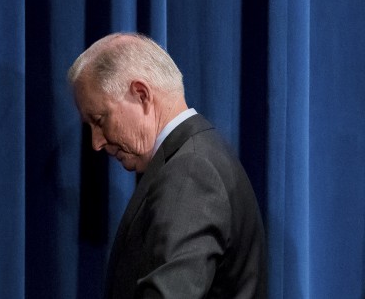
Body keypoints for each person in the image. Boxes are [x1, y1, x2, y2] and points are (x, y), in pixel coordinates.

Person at [68, 32, 266, 298]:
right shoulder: (194, 157)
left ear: (141, 94)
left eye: (100, 120)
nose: (96, 142)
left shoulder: (191, 171)